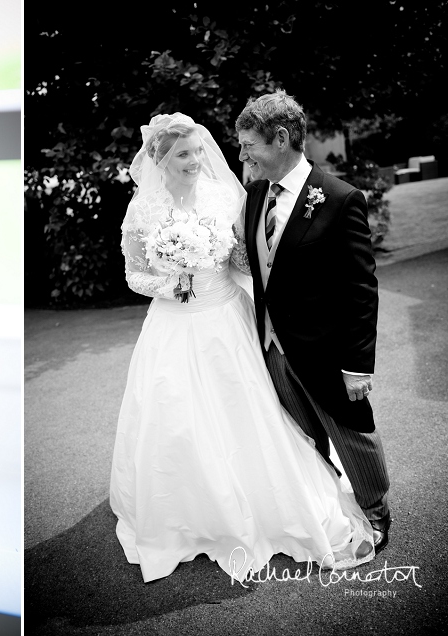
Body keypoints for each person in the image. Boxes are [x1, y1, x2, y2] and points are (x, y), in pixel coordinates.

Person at [109, 112, 374, 584]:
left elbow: (247, 257)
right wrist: (171, 285)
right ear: (159, 158)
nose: (195, 161)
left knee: (254, 411)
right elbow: (134, 274)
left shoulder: (224, 194)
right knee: (177, 419)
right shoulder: (142, 209)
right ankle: (198, 511)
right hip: (174, 324)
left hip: (228, 318)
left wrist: (244, 265)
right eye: (183, 154)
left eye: (196, 151)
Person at [235, 90, 390, 554]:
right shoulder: (256, 193)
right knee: (303, 439)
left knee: (352, 434)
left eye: (249, 145)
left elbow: (361, 290)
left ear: (280, 138)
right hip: (272, 348)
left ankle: (377, 512)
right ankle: (327, 509)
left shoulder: (341, 199)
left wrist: (358, 364)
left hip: (325, 350)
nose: (243, 155)